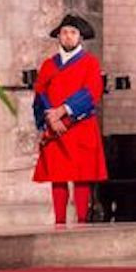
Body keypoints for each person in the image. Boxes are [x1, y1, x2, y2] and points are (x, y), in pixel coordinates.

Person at [33, 14, 108, 225]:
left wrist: (63, 111)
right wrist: (50, 117)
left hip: (79, 126)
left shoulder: (90, 63)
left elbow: (91, 92)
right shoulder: (49, 64)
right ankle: (59, 221)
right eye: (64, 32)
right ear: (58, 36)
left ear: (80, 37)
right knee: (58, 177)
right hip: (55, 128)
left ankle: (82, 220)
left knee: (81, 176)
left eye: (73, 33)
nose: (68, 36)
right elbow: (40, 92)